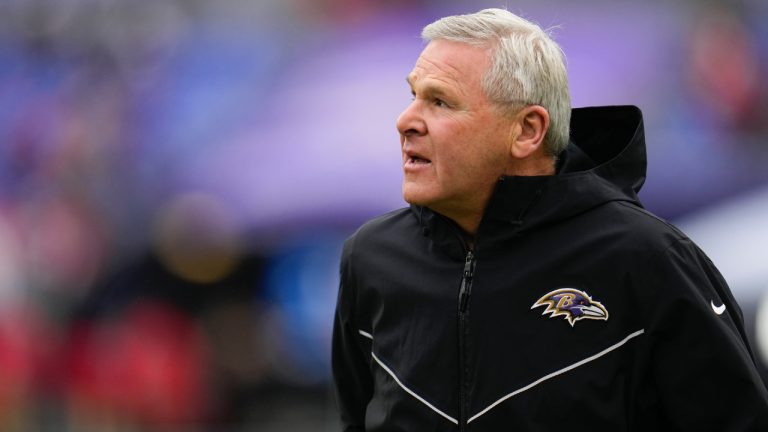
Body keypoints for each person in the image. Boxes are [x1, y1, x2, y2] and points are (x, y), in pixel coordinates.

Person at [331, 8, 768, 431]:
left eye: (440, 102)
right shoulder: (370, 258)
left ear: (526, 131)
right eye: (413, 96)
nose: (406, 121)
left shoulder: (647, 258)